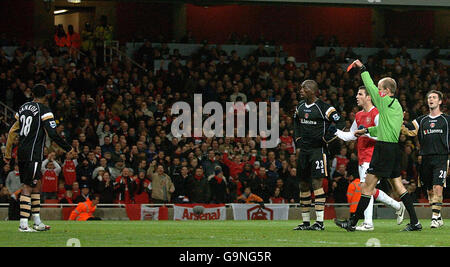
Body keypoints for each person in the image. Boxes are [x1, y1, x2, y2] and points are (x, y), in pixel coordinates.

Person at [335, 59, 421, 232]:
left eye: (381, 89)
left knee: (367, 186)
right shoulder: (395, 105)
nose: (378, 91)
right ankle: (415, 222)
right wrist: (367, 130)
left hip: (383, 150)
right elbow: (386, 128)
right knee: (398, 186)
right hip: (392, 149)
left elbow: (371, 89)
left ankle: (352, 223)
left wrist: (363, 69)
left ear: (387, 91)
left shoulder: (384, 101)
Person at [334, 86, 405, 231]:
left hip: (374, 155)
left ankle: (368, 223)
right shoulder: (359, 115)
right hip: (362, 157)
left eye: (360, 94)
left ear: (368, 97)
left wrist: (365, 132)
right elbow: (351, 135)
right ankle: (398, 206)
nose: (356, 96)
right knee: (369, 189)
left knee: (365, 188)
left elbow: (382, 135)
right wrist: (335, 132)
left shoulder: (377, 114)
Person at [4, 84, 73, 232]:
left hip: (22, 152)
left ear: (32, 94)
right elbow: (53, 133)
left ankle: (37, 221)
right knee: (28, 186)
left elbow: (11, 132)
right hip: (33, 153)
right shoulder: (44, 110)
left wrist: (8, 154)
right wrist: (68, 148)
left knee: (37, 184)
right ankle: (23, 224)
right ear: (46, 96)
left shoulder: (23, 108)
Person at [293, 79, 344, 231]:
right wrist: (297, 139)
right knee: (303, 184)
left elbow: (340, 123)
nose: (300, 90)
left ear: (312, 90)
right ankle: (306, 222)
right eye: (300, 87)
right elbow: (295, 122)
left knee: (316, 184)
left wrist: (326, 139)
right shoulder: (300, 107)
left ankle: (320, 223)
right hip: (304, 151)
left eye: (304, 88)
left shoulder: (325, 108)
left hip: (318, 151)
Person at [402, 90, 449, 229]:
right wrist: (399, 120)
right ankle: (438, 216)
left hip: (441, 157)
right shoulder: (421, 120)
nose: (431, 99)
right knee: (429, 190)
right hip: (425, 159)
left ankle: (434, 218)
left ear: (440, 101)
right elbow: (409, 130)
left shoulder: (446, 120)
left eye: (434, 97)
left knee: (438, 186)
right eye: (429, 97)